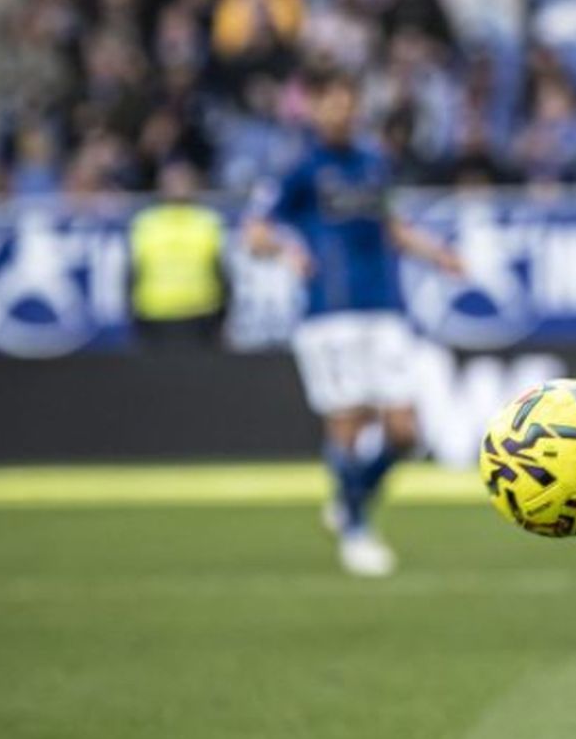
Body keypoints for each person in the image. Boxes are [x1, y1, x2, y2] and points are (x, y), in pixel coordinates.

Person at [246, 74, 463, 578]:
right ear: (315, 109)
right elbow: (255, 232)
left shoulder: (374, 162)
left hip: (385, 308)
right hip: (329, 312)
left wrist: (438, 255)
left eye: (348, 105)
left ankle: (351, 499)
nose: (341, 113)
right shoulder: (299, 167)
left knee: (405, 431)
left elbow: (393, 229)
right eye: (332, 104)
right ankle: (357, 531)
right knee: (346, 423)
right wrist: (287, 249)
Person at [128, 161, 227, 350]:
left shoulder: (208, 221)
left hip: (201, 316)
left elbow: (222, 271)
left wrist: (221, 317)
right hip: (155, 316)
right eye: (173, 181)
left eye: (183, 180)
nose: (178, 186)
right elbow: (132, 272)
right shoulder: (145, 222)